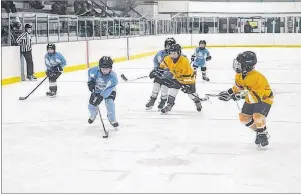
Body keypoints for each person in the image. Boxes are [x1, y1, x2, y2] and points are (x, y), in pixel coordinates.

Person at [218, 51, 274, 147]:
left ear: (247, 66)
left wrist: (238, 95)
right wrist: (229, 92)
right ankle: (260, 131)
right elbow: (238, 87)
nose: (237, 66)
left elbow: (256, 97)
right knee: (243, 118)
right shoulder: (239, 75)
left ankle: (262, 133)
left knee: (257, 116)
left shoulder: (257, 77)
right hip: (251, 98)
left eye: (240, 64)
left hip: (264, 98)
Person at [155, 44, 202, 114]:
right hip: (177, 78)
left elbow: (188, 75)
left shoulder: (184, 61)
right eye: (171, 53)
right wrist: (158, 70)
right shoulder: (167, 58)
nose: (172, 55)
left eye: (174, 53)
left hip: (189, 80)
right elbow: (163, 65)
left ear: (179, 53)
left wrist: (186, 86)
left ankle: (197, 101)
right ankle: (169, 105)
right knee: (172, 91)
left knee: (191, 94)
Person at [87, 56, 119, 127]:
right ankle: (93, 113)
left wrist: (101, 97)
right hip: (97, 89)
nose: (104, 71)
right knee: (91, 105)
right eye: (103, 68)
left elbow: (108, 90)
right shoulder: (93, 71)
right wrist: (90, 83)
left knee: (109, 103)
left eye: (107, 69)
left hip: (109, 90)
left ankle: (112, 119)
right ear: (99, 67)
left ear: (110, 68)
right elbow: (90, 75)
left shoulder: (113, 78)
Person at [147, 37, 176, 110]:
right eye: (167, 45)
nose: (168, 47)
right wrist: (155, 70)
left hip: (168, 75)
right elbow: (156, 61)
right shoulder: (160, 53)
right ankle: (152, 100)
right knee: (156, 86)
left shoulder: (175, 55)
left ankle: (163, 101)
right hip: (159, 73)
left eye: (170, 46)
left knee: (164, 88)